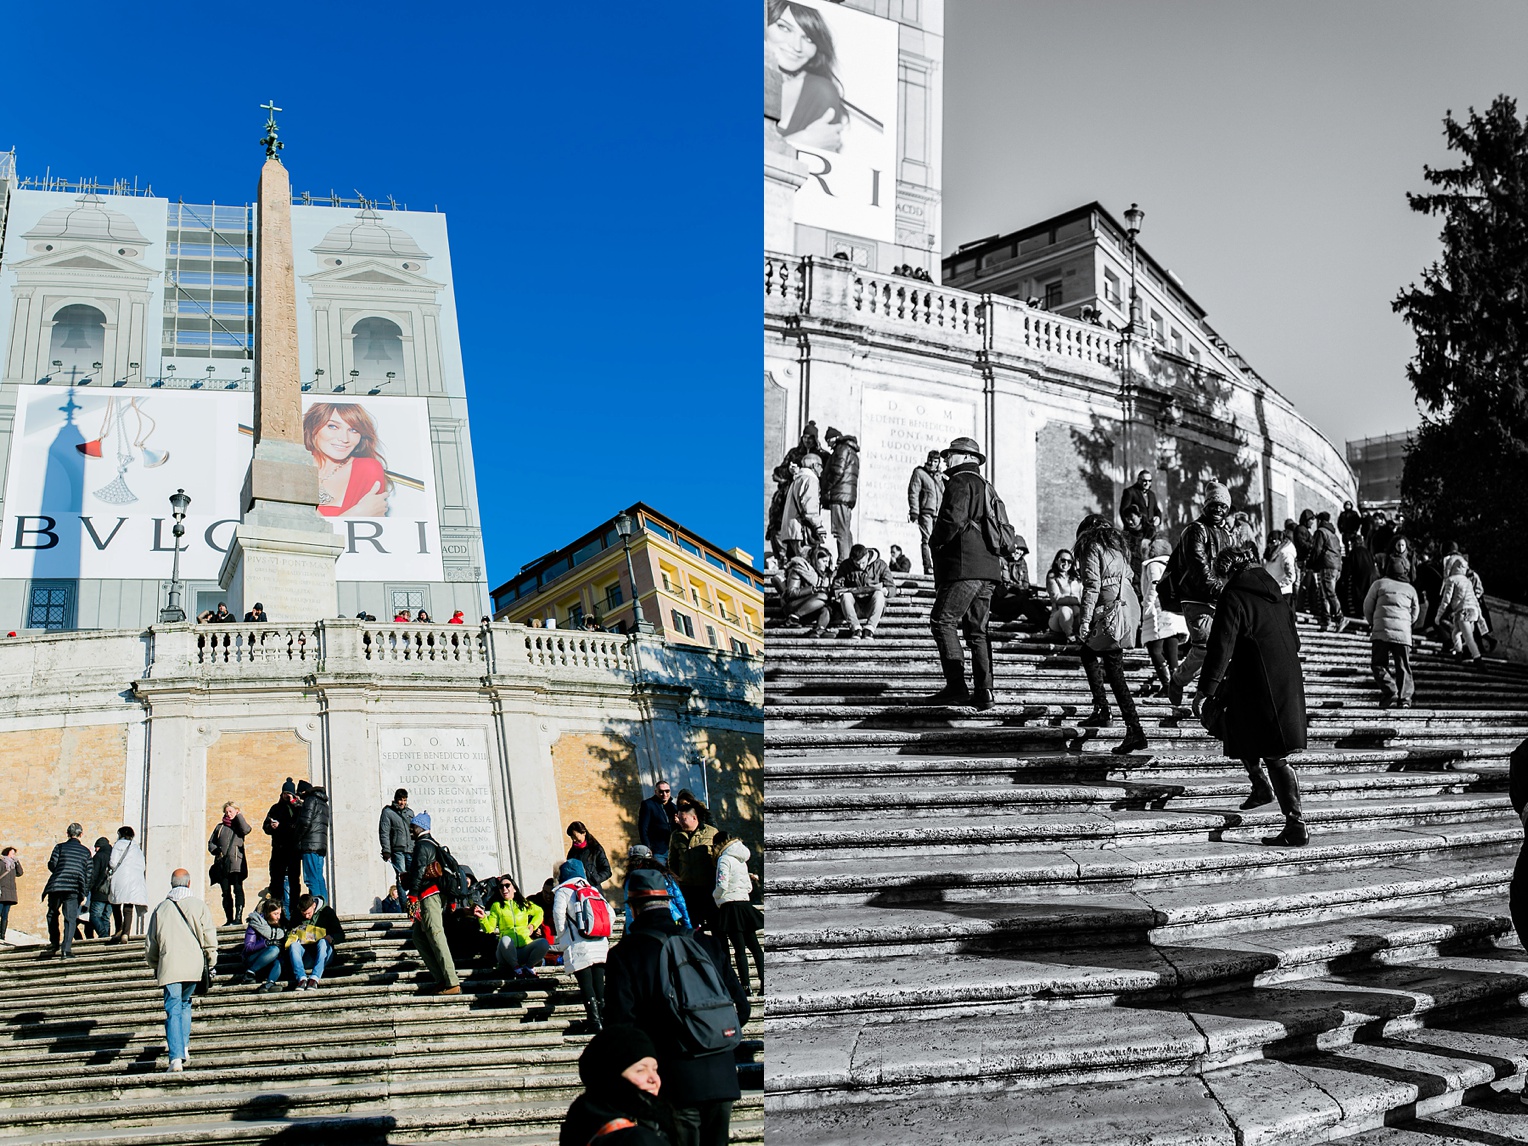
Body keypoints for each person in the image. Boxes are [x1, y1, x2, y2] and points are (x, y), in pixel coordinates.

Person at [605, 868, 749, 1146]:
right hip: (722, 1076)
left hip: (671, 1079)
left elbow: (621, 1024)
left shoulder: (626, 953)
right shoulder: (705, 942)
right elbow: (741, 1009)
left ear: (634, 908)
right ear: (668, 902)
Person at [1195, 545, 1310, 846]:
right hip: (1280, 677)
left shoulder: (1233, 595)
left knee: (1275, 754)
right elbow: (1294, 641)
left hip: (1261, 682)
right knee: (1239, 728)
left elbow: (1222, 646)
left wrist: (1204, 691)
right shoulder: (1276, 594)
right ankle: (1260, 785)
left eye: (1220, 577)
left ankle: (1296, 825)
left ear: (1227, 572)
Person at [926, 436, 1003, 711]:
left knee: (942, 620)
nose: (947, 459)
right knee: (977, 632)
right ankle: (985, 691)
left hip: (965, 566)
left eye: (951, 454)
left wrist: (934, 541)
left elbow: (951, 520)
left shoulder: (960, 481)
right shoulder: (986, 485)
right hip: (989, 568)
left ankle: (956, 687)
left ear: (967, 457)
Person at [1072, 515, 1147, 754]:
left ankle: (1128, 726)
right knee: (1104, 661)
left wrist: (1084, 621)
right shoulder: (1118, 547)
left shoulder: (1090, 545)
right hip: (1126, 603)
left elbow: (1092, 585)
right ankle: (1107, 712)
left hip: (1109, 605)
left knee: (1110, 667)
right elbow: (1131, 576)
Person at [143, 868, 218, 1071]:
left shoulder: (161, 909)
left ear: (171, 884)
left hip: (170, 965)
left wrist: (154, 964)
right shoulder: (199, 905)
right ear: (189, 884)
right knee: (185, 1004)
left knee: (173, 1009)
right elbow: (209, 935)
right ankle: (184, 1046)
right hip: (193, 965)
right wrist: (211, 960)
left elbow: (151, 943)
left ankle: (175, 1057)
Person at [1169, 483, 1234, 707]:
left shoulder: (1227, 534)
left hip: (1221, 599)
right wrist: (1221, 590)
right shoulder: (1195, 530)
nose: (1218, 509)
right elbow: (1198, 566)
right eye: (1214, 504)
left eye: (1223, 506)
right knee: (1204, 646)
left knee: (1225, 648)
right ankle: (1178, 680)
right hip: (1196, 598)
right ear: (1206, 505)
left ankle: (1205, 694)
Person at [559, 1024, 677, 1146]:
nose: (653, 1079)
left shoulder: (584, 1114)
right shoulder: (635, 1139)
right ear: (612, 1076)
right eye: (640, 1070)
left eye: (655, 1069)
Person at [767, 0, 849, 153]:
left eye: (808, 38)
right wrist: (799, 142)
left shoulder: (819, 92)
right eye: (784, 28)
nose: (796, 46)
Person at [402, 811, 462, 995]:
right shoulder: (433, 844)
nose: (411, 830)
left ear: (419, 827)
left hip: (429, 896)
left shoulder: (422, 845)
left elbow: (420, 871)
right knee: (419, 937)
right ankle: (441, 979)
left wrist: (412, 896)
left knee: (436, 935)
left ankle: (451, 982)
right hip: (433, 894)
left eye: (413, 826)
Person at [553, 858, 611, 1033]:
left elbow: (558, 914)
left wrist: (562, 934)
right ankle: (604, 1020)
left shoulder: (563, 891)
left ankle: (594, 1022)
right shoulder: (592, 889)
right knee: (599, 984)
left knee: (586, 984)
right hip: (599, 943)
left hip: (579, 944)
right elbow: (610, 914)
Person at [305, 401, 391, 518]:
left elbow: (364, 532)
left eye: (353, 430)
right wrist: (356, 514)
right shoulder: (290, 467)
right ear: (313, 428)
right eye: (333, 426)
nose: (344, 439)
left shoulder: (367, 470)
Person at [1364, 555, 1421, 709]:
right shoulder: (1410, 589)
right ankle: (1405, 699)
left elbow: (1367, 606)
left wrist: (1373, 622)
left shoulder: (1379, 584)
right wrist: (1407, 624)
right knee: (1403, 666)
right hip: (1403, 634)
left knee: (1378, 664)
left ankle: (1390, 690)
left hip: (1381, 631)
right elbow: (1415, 612)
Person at [712, 831, 763, 995]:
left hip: (731, 906)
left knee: (739, 950)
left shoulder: (724, 859)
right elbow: (749, 887)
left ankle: (746, 987)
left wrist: (715, 897)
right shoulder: (741, 859)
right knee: (755, 948)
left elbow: (722, 884)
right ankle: (764, 984)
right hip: (744, 904)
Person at [1139, 537, 1188, 698]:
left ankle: (1167, 685)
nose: (1150, 549)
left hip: (1158, 611)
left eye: (1153, 546)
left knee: (1155, 650)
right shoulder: (1175, 564)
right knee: (1171, 651)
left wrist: (1147, 606)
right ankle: (1175, 685)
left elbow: (1154, 585)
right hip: (1175, 612)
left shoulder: (1154, 564)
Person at [668, 794, 720, 935]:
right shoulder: (676, 836)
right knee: (692, 927)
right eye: (679, 819)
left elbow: (718, 857)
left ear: (694, 818)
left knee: (716, 926)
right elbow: (672, 862)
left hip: (708, 887)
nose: (680, 822)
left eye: (683, 819)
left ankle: (722, 955)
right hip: (688, 888)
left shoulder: (711, 832)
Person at [481, 873, 548, 981]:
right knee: (505, 940)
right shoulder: (496, 906)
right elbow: (489, 929)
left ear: (514, 889)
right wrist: (482, 918)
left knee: (544, 943)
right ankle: (517, 969)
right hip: (505, 953)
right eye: (501, 887)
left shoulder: (523, 904)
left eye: (507, 885)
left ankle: (528, 967)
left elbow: (539, 912)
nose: (504, 889)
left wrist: (532, 925)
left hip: (524, 948)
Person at [42, 823, 92, 959]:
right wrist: (84, 892)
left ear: (67, 834)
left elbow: (52, 864)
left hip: (57, 885)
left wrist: (59, 870)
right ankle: (66, 949)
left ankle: (54, 942)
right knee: (70, 918)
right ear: (81, 835)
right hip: (74, 887)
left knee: (52, 912)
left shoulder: (59, 847)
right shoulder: (86, 851)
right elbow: (88, 874)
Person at [831, 543, 895, 639]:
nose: (861, 566)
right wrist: (842, 591)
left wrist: (886, 590)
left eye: (863, 563)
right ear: (852, 560)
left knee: (879, 594)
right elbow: (836, 587)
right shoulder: (845, 565)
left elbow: (892, 588)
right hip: (854, 606)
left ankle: (870, 629)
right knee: (846, 596)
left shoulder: (880, 565)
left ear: (867, 556)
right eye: (857, 564)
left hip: (872, 606)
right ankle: (856, 628)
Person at [284, 892, 345, 990]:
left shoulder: (327, 912)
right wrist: (295, 934)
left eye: (308, 913)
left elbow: (341, 935)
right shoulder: (296, 914)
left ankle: (314, 979)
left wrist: (331, 938)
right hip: (306, 955)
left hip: (324, 954)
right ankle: (301, 979)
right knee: (294, 945)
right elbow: (288, 934)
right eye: (304, 914)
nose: (307, 916)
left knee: (322, 942)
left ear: (314, 905)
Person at [624, 845, 692, 932]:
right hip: (671, 918)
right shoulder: (664, 874)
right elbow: (680, 900)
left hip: (644, 923)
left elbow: (629, 909)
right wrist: (688, 925)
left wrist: (630, 932)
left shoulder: (631, 879)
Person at [207, 802, 252, 927]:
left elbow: (246, 829)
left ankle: (238, 917)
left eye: (231, 811)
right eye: (226, 812)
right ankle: (229, 918)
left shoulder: (239, 826)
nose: (228, 814)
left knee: (238, 889)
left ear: (236, 811)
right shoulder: (219, 827)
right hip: (222, 864)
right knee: (225, 892)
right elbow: (211, 842)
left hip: (236, 862)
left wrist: (239, 816)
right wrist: (216, 850)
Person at [262, 779, 302, 918]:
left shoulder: (297, 808)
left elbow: (298, 825)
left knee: (294, 881)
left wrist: (294, 802)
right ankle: (276, 913)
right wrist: (270, 827)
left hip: (293, 850)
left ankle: (295, 911)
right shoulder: (275, 808)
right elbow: (265, 825)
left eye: (289, 793)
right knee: (276, 881)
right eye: (285, 793)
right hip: (278, 849)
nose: (286, 796)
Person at [777, 454, 827, 561]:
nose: (822, 469)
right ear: (814, 465)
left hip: (792, 531)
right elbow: (809, 506)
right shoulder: (810, 480)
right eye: (820, 466)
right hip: (801, 531)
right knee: (806, 565)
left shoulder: (798, 479)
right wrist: (818, 526)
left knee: (795, 565)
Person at [1437, 554, 1485, 664]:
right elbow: (1475, 598)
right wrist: (1480, 617)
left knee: (1468, 638)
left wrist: (1439, 615)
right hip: (1472, 611)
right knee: (1456, 633)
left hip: (1463, 612)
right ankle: (1459, 655)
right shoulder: (1467, 581)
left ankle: (1478, 661)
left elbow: (1446, 599)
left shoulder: (1452, 579)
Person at [821, 427, 859, 561]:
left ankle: (844, 559)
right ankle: (850, 558)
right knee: (845, 529)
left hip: (839, 495)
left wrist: (826, 487)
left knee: (839, 530)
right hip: (846, 496)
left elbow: (837, 471)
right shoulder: (851, 450)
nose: (828, 444)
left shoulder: (841, 449)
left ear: (835, 438)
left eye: (828, 440)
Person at [778, 547, 835, 637]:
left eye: (828, 562)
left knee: (825, 609)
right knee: (822, 596)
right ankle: (793, 618)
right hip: (793, 605)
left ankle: (819, 630)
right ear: (815, 560)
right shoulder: (799, 570)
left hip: (811, 609)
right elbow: (791, 593)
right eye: (824, 561)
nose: (826, 565)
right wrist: (814, 589)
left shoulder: (826, 575)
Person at [907, 450, 946, 575]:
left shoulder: (940, 476)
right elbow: (914, 492)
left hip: (939, 513)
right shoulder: (919, 473)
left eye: (935, 461)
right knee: (927, 539)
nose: (933, 463)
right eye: (931, 460)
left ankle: (939, 566)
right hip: (926, 511)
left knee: (940, 541)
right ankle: (928, 566)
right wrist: (914, 511)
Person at [107, 825, 148, 942]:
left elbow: (113, 863)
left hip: (121, 877)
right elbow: (143, 866)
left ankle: (119, 928)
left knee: (115, 903)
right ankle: (126, 933)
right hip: (135, 880)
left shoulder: (118, 845)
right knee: (129, 906)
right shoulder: (137, 848)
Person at [1309, 511, 1347, 632]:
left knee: (1328, 592)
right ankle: (1327, 619)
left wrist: (1311, 564)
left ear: (1319, 521)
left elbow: (1317, 550)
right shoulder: (1333, 535)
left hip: (1327, 565)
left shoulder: (1321, 532)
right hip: (1336, 566)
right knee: (1325, 592)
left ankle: (1340, 617)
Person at [294, 779, 331, 904]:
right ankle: (324, 907)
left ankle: (317, 909)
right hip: (320, 845)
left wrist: (297, 837)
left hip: (310, 845)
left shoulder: (310, 800)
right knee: (319, 878)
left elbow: (305, 822)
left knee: (311, 879)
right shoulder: (323, 802)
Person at [241, 899, 288, 992]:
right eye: (275, 914)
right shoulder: (256, 923)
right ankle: (250, 973)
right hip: (254, 959)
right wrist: (266, 943)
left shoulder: (283, 926)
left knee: (278, 960)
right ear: (268, 913)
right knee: (274, 949)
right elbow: (248, 947)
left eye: (279, 913)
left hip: (272, 962)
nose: (278, 917)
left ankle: (269, 984)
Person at [379, 788, 415, 886]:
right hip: (397, 850)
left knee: (413, 876)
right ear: (395, 799)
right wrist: (386, 850)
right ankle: (403, 901)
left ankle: (412, 900)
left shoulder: (410, 813)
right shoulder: (388, 812)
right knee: (402, 877)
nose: (402, 802)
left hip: (410, 850)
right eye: (400, 800)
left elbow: (414, 831)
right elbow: (384, 832)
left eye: (404, 800)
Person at [1045, 549, 1084, 638]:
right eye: (1063, 560)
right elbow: (1056, 598)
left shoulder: (1076, 577)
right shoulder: (1052, 576)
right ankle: (1070, 636)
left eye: (1069, 561)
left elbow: (1082, 596)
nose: (1066, 563)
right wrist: (1076, 601)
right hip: (1058, 619)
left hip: (1075, 617)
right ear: (1056, 561)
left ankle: (1081, 637)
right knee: (1065, 610)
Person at [638, 781, 678, 863]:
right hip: (657, 850)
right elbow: (643, 828)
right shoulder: (648, 804)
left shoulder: (673, 807)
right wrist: (648, 847)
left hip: (673, 849)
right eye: (661, 791)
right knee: (660, 874)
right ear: (655, 792)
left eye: (667, 791)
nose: (664, 794)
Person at [1265, 526, 1299, 620]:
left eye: (1273, 542)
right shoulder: (1272, 553)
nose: (1270, 545)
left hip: (1283, 594)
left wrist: (1277, 585)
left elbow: (1291, 576)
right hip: (1272, 592)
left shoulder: (1285, 554)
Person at [567, 821, 614, 889]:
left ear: (583, 833)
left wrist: (594, 879)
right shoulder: (572, 853)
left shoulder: (595, 849)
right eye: (571, 837)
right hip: (577, 891)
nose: (574, 840)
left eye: (575, 836)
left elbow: (607, 871)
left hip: (593, 890)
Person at [87, 836, 113, 939]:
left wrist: (89, 888)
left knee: (94, 916)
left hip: (99, 892)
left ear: (99, 847)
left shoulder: (99, 856)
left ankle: (103, 935)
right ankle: (106, 940)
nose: (95, 850)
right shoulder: (114, 855)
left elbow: (93, 875)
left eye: (96, 847)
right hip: (112, 892)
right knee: (106, 917)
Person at [0, 847, 21, 943]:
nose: (14, 855)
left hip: (10, 893)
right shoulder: (1, 863)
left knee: (5, 914)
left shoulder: (13, 865)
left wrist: (17, 862)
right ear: (7, 853)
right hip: (1, 891)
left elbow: (20, 873)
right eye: (12, 853)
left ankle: (2, 935)